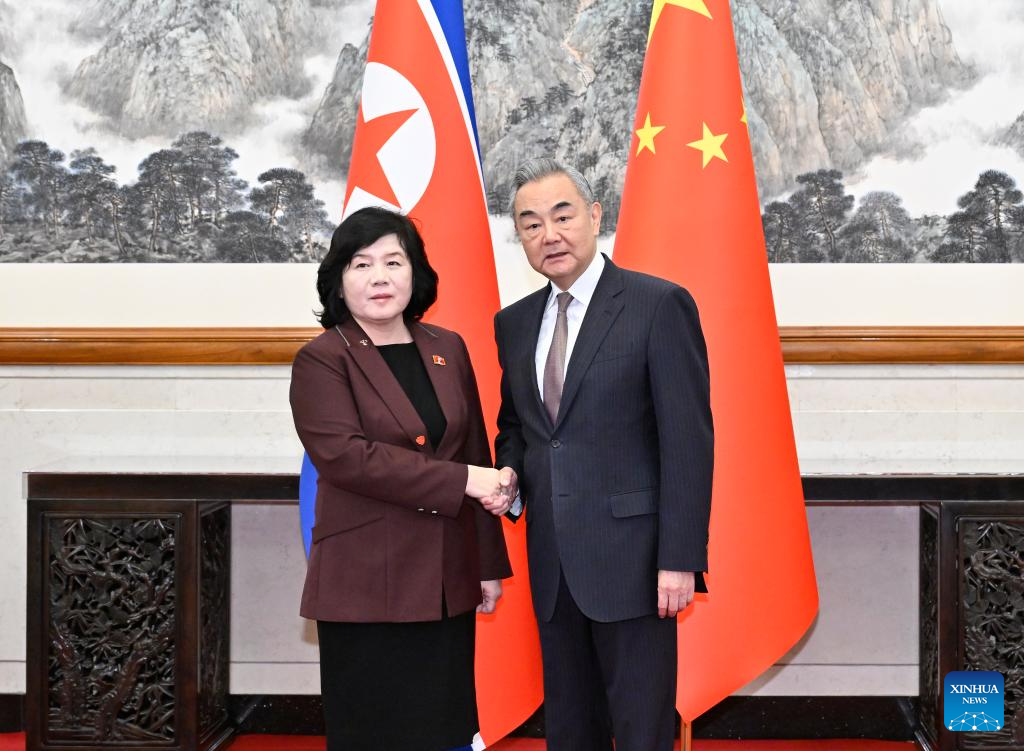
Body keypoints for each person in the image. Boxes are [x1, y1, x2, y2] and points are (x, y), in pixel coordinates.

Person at [486, 158, 714, 751]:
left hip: (637, 564)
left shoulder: (657, 305)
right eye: (530, 225)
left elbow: (688, 440)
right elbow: (519, 425)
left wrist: (680, 558)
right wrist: (509, 472)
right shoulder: (513, 324)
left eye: (562, 216)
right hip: (553, 562)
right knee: (569, 727)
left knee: (641, 729)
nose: (549, 235)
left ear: (594, 216)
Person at [289, 206, 513, 751]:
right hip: (363, 584)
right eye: (361, 264)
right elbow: (349, 458)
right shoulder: (321, 360)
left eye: (394, 261)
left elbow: (476, 452)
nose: (380, 277)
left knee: (445, 728)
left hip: (443, 581)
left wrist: (485, 565)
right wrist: (462, 480)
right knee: (374, 733)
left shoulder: (447, 347)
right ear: (339, 280)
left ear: (417, 274)